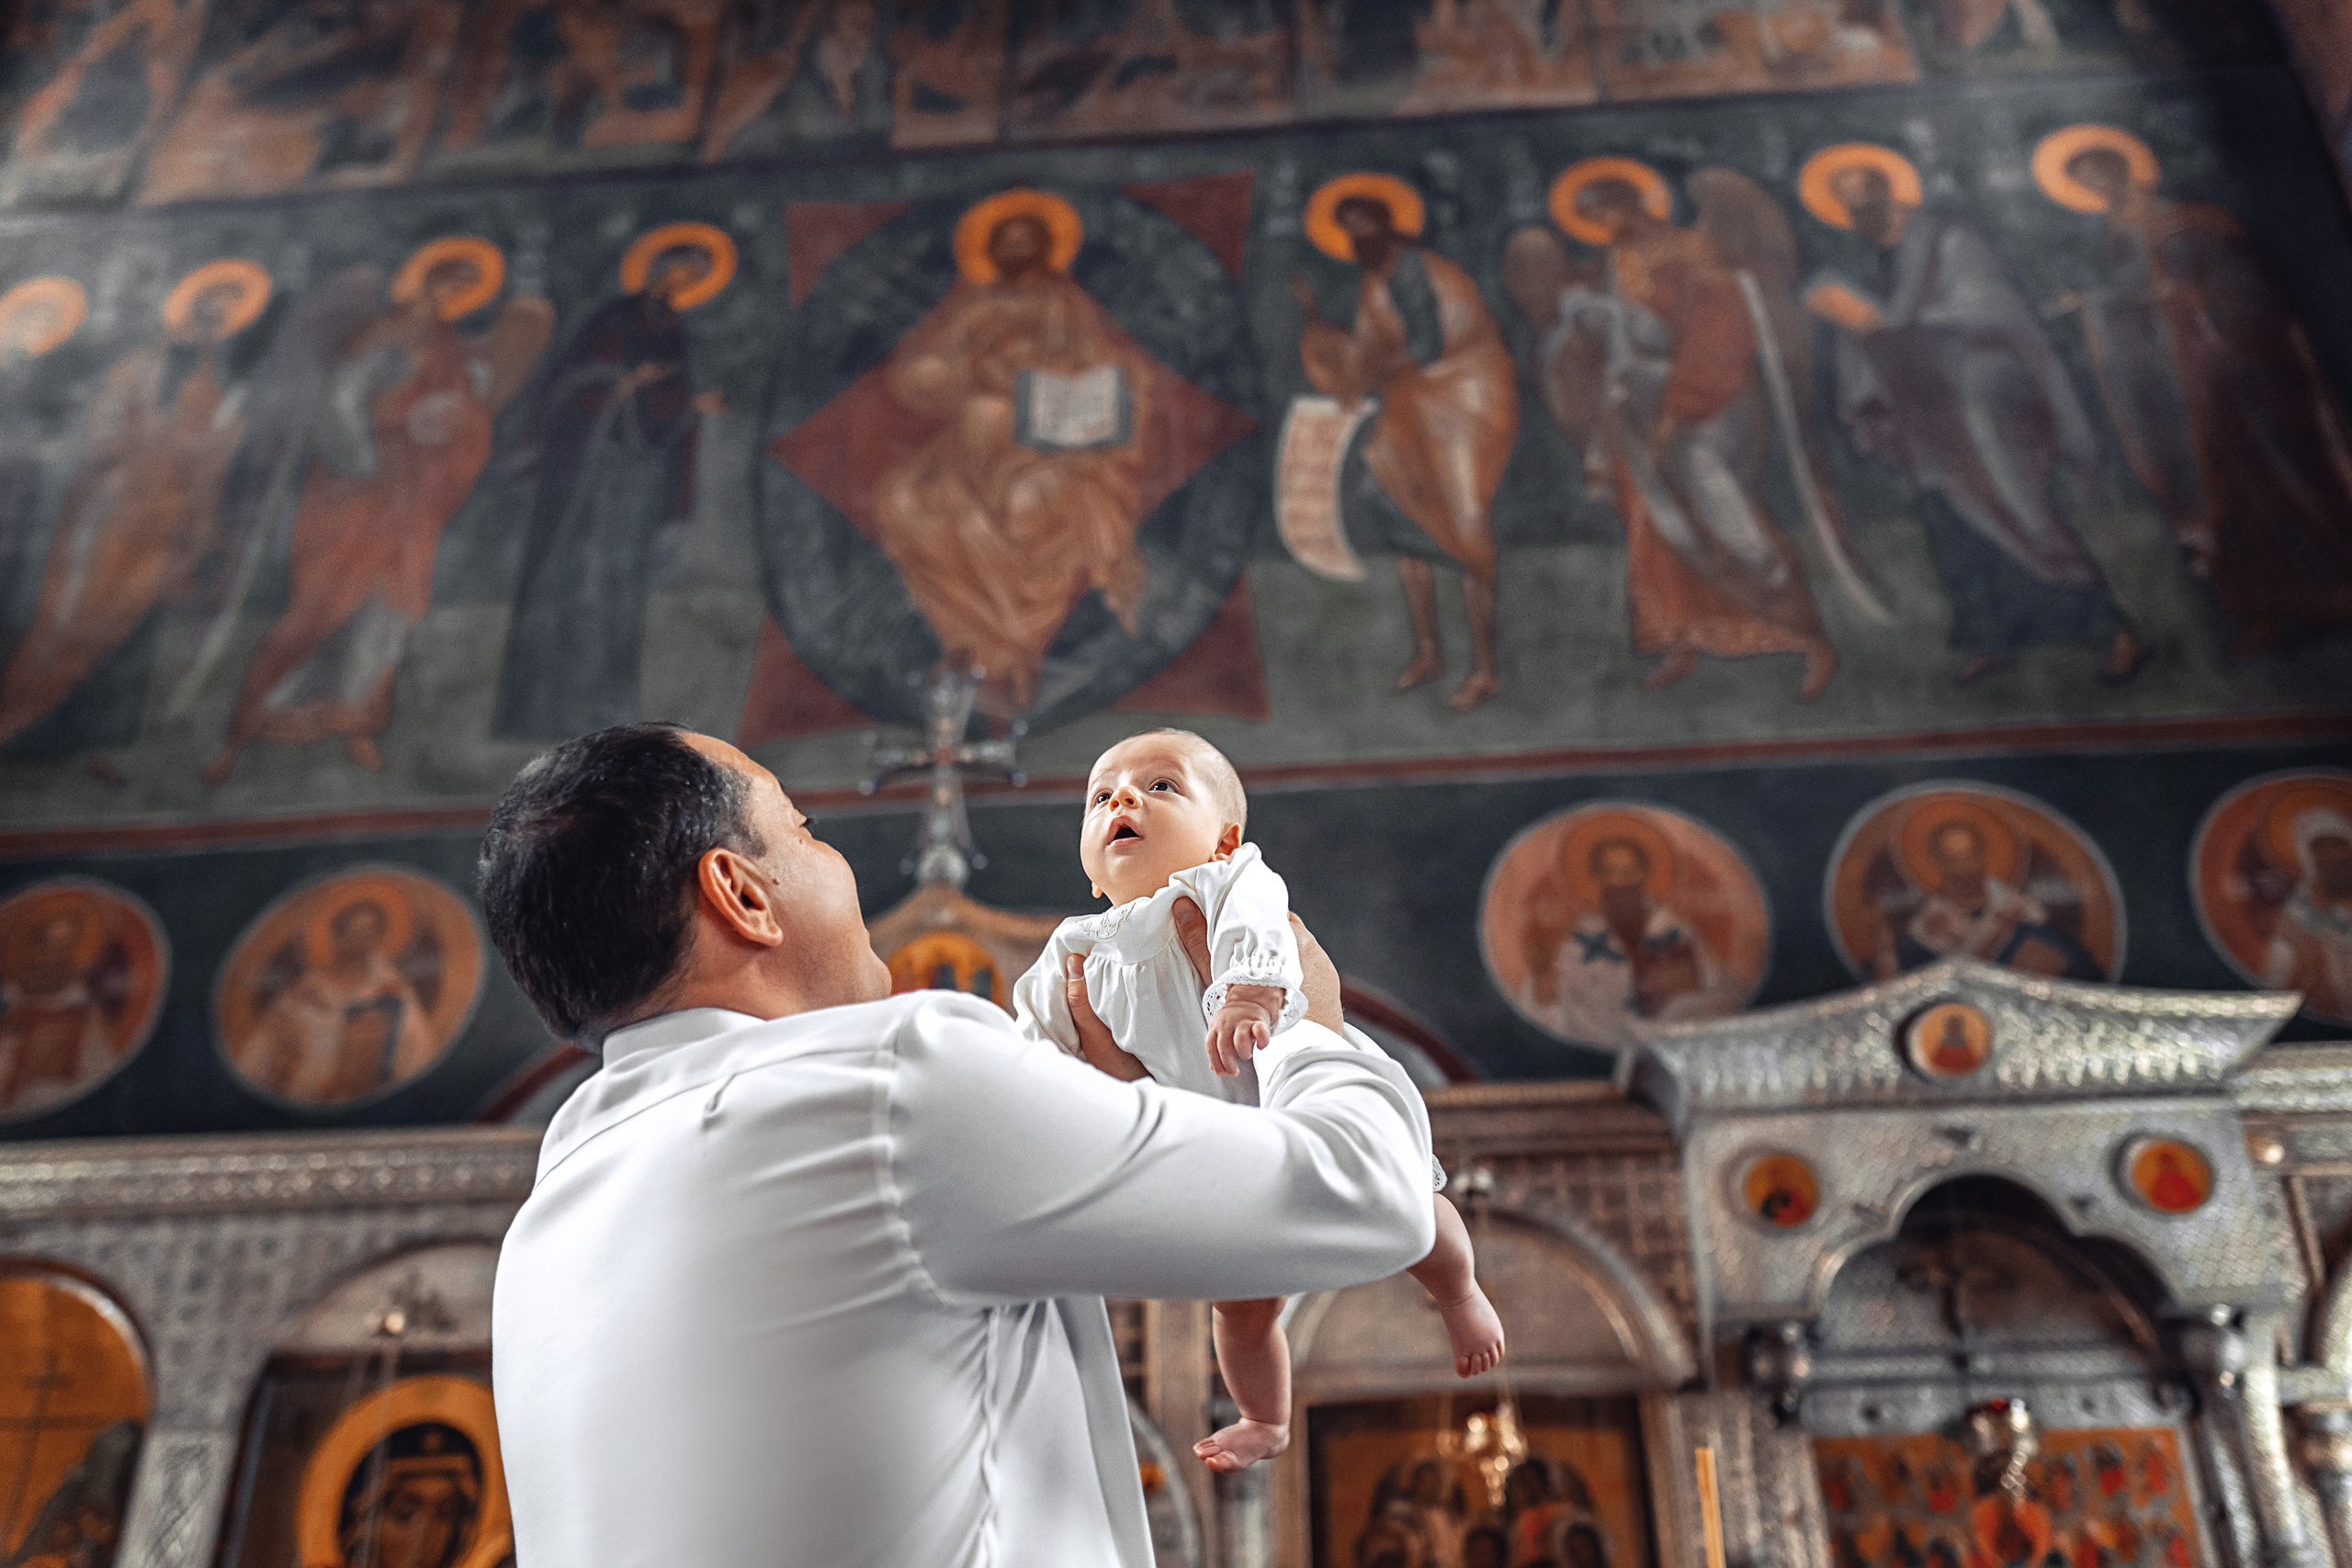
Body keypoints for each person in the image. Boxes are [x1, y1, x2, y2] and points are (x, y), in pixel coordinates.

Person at [482, 723, 1439, 1566]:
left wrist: (1082, 1105)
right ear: (740, 893)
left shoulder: (551, 1206)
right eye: (804, 830)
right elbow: (1369, 1192)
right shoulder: (892, 1079)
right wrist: (1308, 1017)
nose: (833, 855)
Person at [1011, 729, 1504, 1472]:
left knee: (1412, 1203)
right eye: (1101, 795)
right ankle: (1265, 1417)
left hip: (1284, 1087)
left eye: (1162, 785)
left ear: (1224, 838)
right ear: (1089, 868)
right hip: (1216, 1150)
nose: (1122, 798)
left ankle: (1460, 1293)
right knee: (1239, 1309)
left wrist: (1245, 990)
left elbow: (1259, 915)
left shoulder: (1223, 884)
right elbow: (1035, 1040)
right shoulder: (1075, 946)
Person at [1802, 149, 2148, 687]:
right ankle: (1990, 636)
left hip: (1982, 397)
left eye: (1860, 189)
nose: (1854, 203)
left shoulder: (1950, 238)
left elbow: (1991, 307)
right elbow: (1876, 340)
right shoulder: (1875, 261)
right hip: (1927, 414)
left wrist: (1880, 320)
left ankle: (2115, 631)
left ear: (1887, 187)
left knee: (2019, 513)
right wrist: (1857, 332)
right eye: (1843, 198)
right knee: (1950, 523)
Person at [2045, 131, 2352, 660]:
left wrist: (2194, 301)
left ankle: (2336, 591)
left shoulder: (2194, 220)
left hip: (2242, 378)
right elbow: (2143, 299)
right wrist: (2096, 302)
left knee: (2289, 478)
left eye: (2101, 176)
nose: (2100, 191)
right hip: (2187, 388)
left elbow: (2246, 289)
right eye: (2085, 185)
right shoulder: (2117, 237)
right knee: (2225, 500)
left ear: (2127, 170)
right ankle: (2267, 610)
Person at [867, 201, 1156, 717]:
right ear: (992, 252)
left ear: (1046, 252)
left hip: (1042, 438)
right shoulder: (969, 309)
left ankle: (1014, 651)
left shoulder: (1063, 304)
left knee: (1028, 501)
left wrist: (1044, 367)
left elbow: (1105, 369)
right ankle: (971, 646)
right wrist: (971, 367)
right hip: (969, 436)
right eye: (1009, 242)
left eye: (1029, 242)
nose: (1018, 253)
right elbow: (915, 373)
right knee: (906, 497)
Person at [1564, 174, 1835, 700]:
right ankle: (1680, 639)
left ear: (1632, 204)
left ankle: (1810, 642)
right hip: (1638, 407)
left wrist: (1675, 413)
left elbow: (1718, 336)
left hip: (1708, 401)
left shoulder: (1693, 252)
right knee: (1655, 529)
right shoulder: (1613, 267)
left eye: (1606, 214)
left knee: (1729, 514)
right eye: (1593, 223)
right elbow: (1619, 336)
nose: (1603, 229)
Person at [1294, 189, 1521, 710]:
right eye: (1348, 230)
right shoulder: (1376, 284)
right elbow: (1370, 354)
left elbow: (1426, 346)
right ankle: (1428, 653)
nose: (1358, 239)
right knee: (1401, 514)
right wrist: (1318, 326)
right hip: (1411, 404)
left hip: (1464, 402)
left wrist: (1368, 370)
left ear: (1387, 225)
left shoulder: (1424, 272)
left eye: (1364, 226)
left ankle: (1486, 668)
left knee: (1464, 528)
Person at [492, 239, 721, 741]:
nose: (682, 285)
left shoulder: (673, 329)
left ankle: (604, 708)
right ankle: (542, 707)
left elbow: (667, 398)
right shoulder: (616, 318)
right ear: (660, 267)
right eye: (681, 272)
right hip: (590, 472)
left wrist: (687, 402)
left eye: (692, 278)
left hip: (638, 476)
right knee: (575, 576)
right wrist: (626, 382)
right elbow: (573, 382)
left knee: (619, 586)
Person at [232, 896, 437, 1104]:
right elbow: (265, 1042)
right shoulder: (310, 986)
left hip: (361, 1099)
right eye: (353, 932)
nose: (361, 940)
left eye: (369, 933)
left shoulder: (391, 989)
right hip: (303, 1091)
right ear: (337, 935)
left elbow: (417, 1047)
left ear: (379, 937)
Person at [2264, 808, 2352, 1019]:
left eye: (2338, 847)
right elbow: (2277, 985)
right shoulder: (2295, 915)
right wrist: (2309, 956)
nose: (2333, 856)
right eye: (2322, 849)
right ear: (2308, 856)